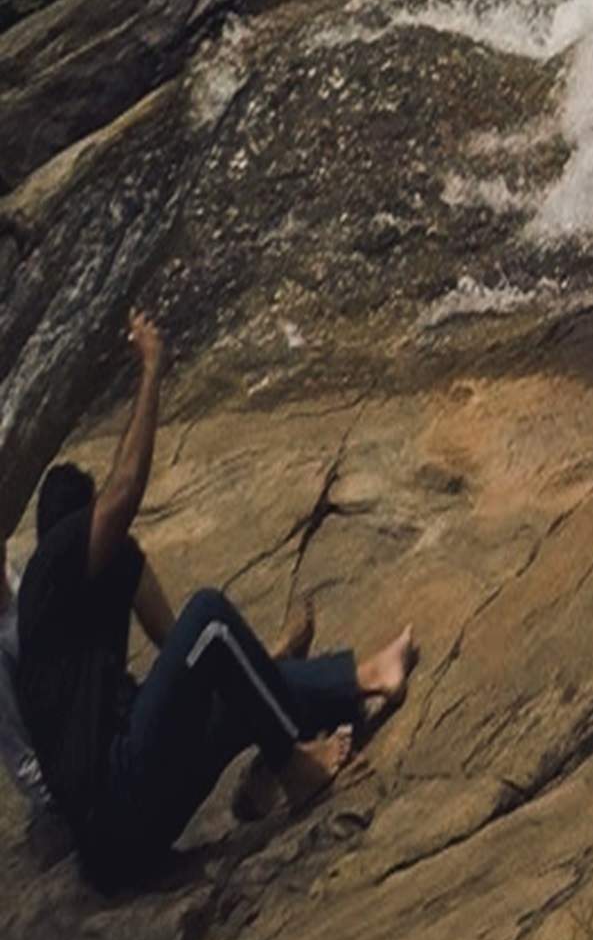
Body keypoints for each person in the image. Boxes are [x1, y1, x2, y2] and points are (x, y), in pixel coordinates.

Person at [12, 307, 417, 893]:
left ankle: (363, 679)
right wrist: (152, 368)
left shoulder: (97, 579)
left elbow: (168, 639)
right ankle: (292, 767)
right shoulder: (48, 577)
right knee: (209, 616)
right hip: (117, 812)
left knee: (221, 676)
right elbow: (125, 493)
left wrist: (251, 660)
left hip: (132, 820)